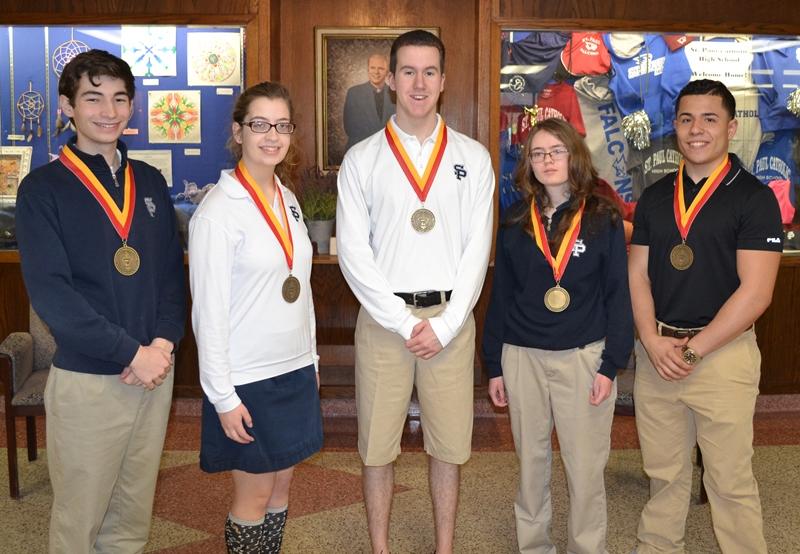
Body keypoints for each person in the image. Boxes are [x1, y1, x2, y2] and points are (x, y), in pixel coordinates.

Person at [15, 49, 186, 552]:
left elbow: (171, 278)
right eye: (93, 98)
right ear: (67, 106)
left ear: (132, 105)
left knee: (131, 520)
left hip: (154, 374)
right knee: (80, 522)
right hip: (90, 379)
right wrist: (132, 353)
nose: (108, 111)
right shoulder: (42, 190)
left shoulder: (149, 181)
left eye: (119, 98)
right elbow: (54, 296)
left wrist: (161, 346)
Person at [337, 30, 494, 554]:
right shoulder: (362, 159)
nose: (419, 83)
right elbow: (353, 254)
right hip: (385, 321)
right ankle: (380, 548)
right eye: (408, 71)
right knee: (377, 448)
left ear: (444, 81)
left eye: (429, 72)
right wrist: (404, 322)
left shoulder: (473, 157)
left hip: (452, 320)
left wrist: (446, 325)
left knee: (447, 447)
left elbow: (477, 250)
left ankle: (444, 547)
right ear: (390, 80)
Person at [629, 79, 783, 554]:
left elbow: (756, 293)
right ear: (675, 127)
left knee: (729, 481)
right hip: (658, 354)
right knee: (663, 476)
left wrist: (695, 350)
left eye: (710, 119)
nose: (697, 129)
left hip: (721, 356)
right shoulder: (656, 196)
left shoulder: (754, 198)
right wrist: (652, 341)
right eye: (686, 119)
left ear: (731, 128)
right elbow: (637, 274)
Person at [483, 118, 633, 554]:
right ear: (528, 163)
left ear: (574, 156)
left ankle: (587, 548)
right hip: (522, 356)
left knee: (585, 469)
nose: (547, 160)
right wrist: (494, 365)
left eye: (556, 151)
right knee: (531, 465)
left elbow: (618, 295)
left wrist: (611, 365)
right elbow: (501, 295)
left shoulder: (603, 217)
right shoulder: (515, 220)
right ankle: (534, 546)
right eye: (538, 153)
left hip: (583, 357)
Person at [189, 81, 322, 553]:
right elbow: (207, 314)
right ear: (238, 131)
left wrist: (311, 360)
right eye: (260, 124)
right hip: (248, 379)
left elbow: (300, 289)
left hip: (293, 368)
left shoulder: (287, 198)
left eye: (282, 126)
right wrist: (222, 395)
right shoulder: (218, 212)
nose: (272, 136)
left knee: (282, 487)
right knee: (255, 494)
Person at [343, 53, 396, 151]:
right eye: (372, 68)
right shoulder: (354, 93)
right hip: (360, 150)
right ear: (368, 70)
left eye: (381, 68)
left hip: (388, 151)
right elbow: (350, 128)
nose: (376, 72)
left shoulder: (396, 94)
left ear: (387, 71)